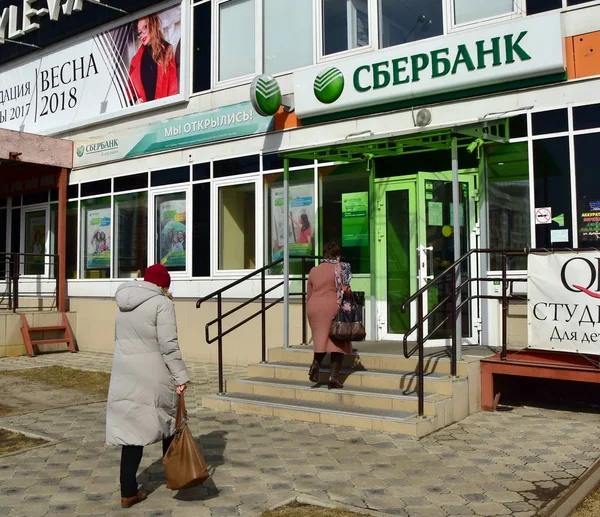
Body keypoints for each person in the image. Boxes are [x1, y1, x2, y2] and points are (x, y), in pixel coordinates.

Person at [106, 263, 189, 509]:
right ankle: (175, 475)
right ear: (163, 284)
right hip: (154, 374)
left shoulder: (123, 303)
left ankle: (128, 492)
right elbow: (169, 345)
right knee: (170, 422)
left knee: (132, 433)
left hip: (125, 373)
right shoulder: (161, 304)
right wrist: (181, 376)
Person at [307, 241, 353, 389]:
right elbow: (345, 290)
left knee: (321, 340)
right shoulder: (340, 268)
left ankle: (315, 365)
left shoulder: (314, 270)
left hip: (314, 307)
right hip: (332, 305)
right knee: (338, 341)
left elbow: (309, 292)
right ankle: (333, 377)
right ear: (337, 255)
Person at [128, 13, 178, 104]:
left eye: (144, 28)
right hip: (144, 112)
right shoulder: (135, 60)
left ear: (152, 25)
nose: (142, 34)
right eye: (139, 31)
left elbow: (172, 87)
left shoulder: (166, 50)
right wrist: (135, 101)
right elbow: (129, 89)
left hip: (163, 109)